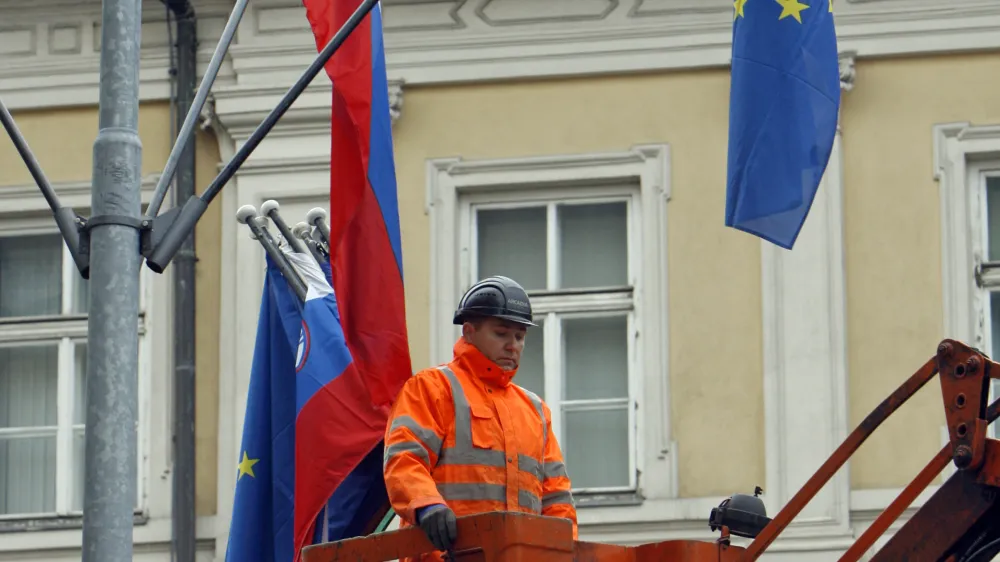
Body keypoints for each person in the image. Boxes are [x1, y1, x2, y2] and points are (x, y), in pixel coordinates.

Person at [382, 275, 578, 559]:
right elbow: (405, 458)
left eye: (520, 337)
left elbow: (556, 497)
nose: (513, 345)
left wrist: (565, 550)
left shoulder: (535, 409)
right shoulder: (433, 388)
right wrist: (426, 505)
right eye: (501, 333)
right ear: (469, 332)